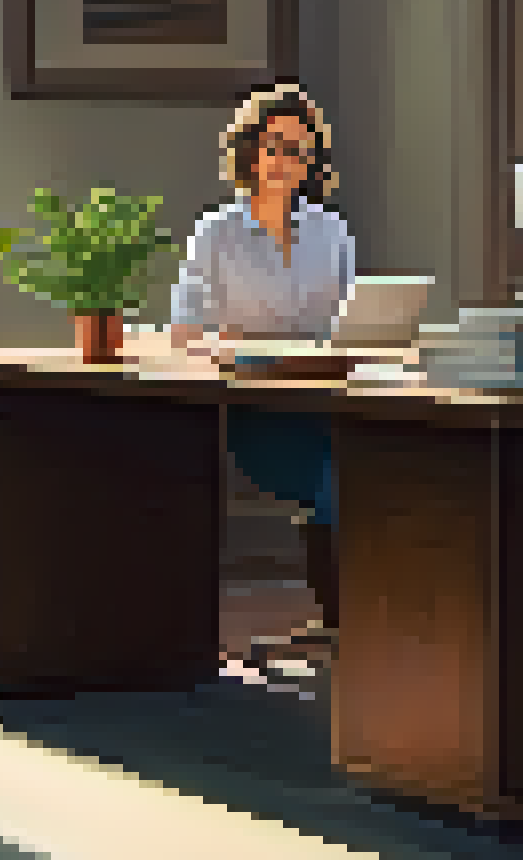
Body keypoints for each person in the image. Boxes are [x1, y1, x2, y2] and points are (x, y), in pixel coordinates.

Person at [168, 83, 357, 658]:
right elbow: (183, 332)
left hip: (330, 402)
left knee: (384, 463)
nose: (285, 162)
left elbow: (350, 323)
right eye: (275, 146)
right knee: (338, 479)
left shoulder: (330, 231)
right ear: (250, 151)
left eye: (299, 152)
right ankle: (342, 627)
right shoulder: (217, 233)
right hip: (259, 412)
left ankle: (380, 620)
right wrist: (236, 346)